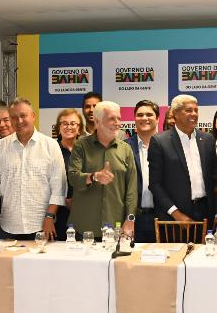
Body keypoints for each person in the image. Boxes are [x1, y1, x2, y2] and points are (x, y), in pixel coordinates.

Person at [0, 98, 67, 241]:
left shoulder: (51, 146)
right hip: (8, 227)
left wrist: (50, 216)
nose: (19, 121)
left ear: (33, 116)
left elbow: (58, 188)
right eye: (13, 117)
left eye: (23, 116)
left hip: (43, 226)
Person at [66, 101, 137, 238]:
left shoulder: (126, 149)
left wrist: (130, 219)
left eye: (119, 118)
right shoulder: (81, 146)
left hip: (116, 227)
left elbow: (132, 190)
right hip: (84, 227)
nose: (117, 123)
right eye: (112, 119)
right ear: (97, 122)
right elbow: (73, 178)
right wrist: (94, 177)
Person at [148, 94, 217, 228]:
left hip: (206, 213)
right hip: (174, 217)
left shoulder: (208, 139)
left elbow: (215, 175)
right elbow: (155, 184)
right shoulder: (159, 141)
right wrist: (176, 213)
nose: (194, 114)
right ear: (175, 113)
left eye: (196, 110)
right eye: (188, 110)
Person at [126, 100, 159, 243]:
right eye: (140, 115)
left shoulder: (168, 146)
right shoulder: (124, 147)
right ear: (134, 119)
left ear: (157, 118)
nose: (144, 118)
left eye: (149, 114)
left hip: (162, 217)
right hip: (133, 218)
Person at [53, 108, 84, 235]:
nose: (68, 127)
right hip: (57, 210)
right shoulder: (51, 150)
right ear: (58, 128)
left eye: (73, 123)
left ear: (79, 128)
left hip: (84, 209)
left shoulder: (86, 150)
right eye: (64, 123)